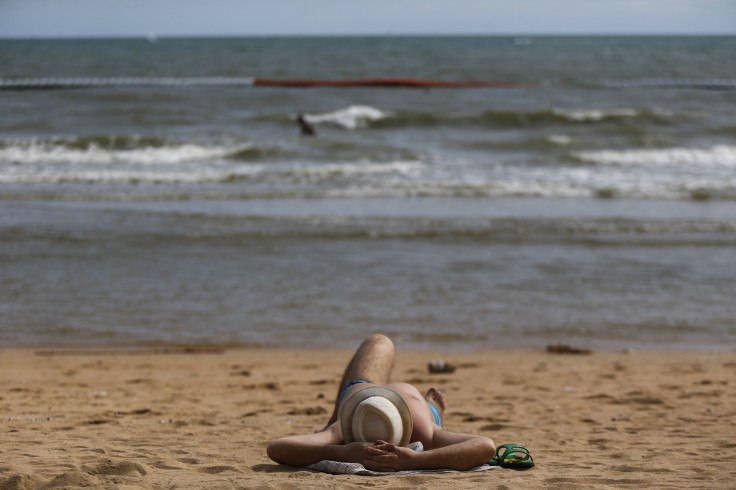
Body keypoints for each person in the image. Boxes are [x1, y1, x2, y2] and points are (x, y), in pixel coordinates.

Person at [267, 333, 496, 472]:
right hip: (419, 411)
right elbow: (485, 446)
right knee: (431, 417)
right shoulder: (423, 433)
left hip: (358, 392)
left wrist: (343, 452)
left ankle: (332, 417)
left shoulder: (344, 431)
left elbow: (277, 447)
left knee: (379, 341)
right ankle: (433, 409)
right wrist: (414, 460)